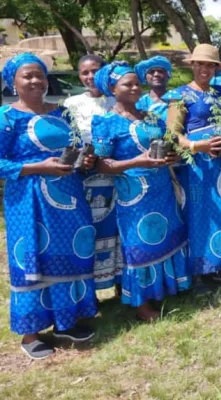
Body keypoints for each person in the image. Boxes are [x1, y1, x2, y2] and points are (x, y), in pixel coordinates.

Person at [1, 54, 98, 359]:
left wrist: (85, 160)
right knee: (34, 258)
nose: (34, 81)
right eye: (27, 76)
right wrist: (37, 167)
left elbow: (72, 150)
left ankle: (65, 322)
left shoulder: (63, 112)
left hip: (68, 197)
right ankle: (31, 333)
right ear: (12, 83)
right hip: (29, 200)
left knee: (69, 254)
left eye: (39, 76)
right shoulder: (7, 118)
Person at [92, 62, 191, 321]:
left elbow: (164, 143)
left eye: (137, 83)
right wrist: (138, 162)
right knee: (138, 241)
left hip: (161, 186)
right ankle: (141, 302)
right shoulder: (106, 122)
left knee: (166, 233)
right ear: (112, 88)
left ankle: (165, 287)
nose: (136, 87)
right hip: (133, 193)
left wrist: (168, 157)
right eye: (128, 84)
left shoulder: (150, 116)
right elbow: (101, 164)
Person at [164, 44, 221, 289]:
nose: (205, 69)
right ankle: (206, 268)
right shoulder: (179, 96)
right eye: (200, 64)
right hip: (200, 165)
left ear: (216, 68)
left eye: (210, 65)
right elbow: (172, 135)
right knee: (205, 210)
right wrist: (197, 146)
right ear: (192, 65)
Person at [63, 54, 122, 291]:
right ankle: (90, 290)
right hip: (86, 177)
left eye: (95, 71)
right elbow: (69, 141)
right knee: (90, 230)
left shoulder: (117, 100)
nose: (89, 77)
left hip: (118, 175)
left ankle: (120, 283)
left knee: (117, 229)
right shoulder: (71, 104)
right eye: (84, 72)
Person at [135, 55, 172, 121]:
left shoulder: (176, 100)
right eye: (151, 72)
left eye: (160, 71)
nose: (156, 74)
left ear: (168, 75)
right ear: (145, 77)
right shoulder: (139, 103)